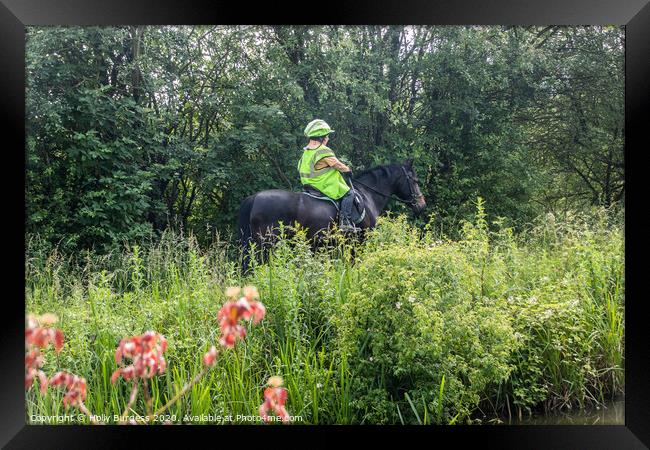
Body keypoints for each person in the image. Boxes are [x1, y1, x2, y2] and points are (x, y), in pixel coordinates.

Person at [298, 119, 358, 231]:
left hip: (308, 185)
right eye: (327, 136)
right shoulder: (323, 150)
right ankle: (345, 222)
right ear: (322, 137)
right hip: (322, 185)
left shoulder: (307, 151)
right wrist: (347, 170)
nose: (328, 138)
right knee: (349, 194)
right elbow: (336, 164)